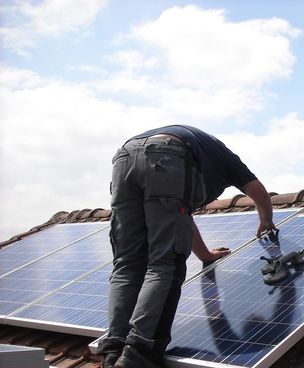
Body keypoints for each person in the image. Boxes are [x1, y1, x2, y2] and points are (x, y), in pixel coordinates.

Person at [98, 125, 277, 368]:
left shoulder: (203, 154)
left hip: (124, 158)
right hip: (167, 156)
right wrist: (266, 221)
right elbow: (258, 192)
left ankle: (113, 351)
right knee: (165, 264)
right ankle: (139, 352)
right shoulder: (226, 159)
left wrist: (205, 254)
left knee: (127, 264)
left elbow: (182, 219)